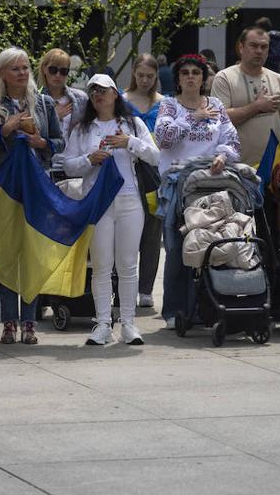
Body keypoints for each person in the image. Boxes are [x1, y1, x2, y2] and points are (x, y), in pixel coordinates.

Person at [62, 73, 160, 347]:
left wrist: (129, 142)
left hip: (130, 201)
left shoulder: (132, 123)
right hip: (98, 202)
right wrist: (89, 159)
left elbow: (154, 156)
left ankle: (128, 323)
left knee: (128, 265)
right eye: (93, 91)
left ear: (115, 94)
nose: (98, 95)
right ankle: (103, 324)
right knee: (102, 266)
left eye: (103, 90)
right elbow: (68, 165)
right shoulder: (83, 129)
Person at [0, 48, 64, 345]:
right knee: (6, 255)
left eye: (25, 67)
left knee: (31, 253)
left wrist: (42, 142)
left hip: (36, 185)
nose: (22, 73)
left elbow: (59, 143)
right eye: (15, 68)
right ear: (2, 73)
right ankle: (9, 322)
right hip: (4, 187)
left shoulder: (43, 102)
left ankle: (29, 322)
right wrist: (5, 129)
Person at [154, 54, 240, 328]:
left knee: (216, 244)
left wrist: (223, 157)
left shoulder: (216, 105)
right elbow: (164, 139)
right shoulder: (169, 106)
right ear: (178, 79)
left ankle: (210, 308)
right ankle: (174, 311)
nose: (191, 77)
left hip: (214, 184)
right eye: (185, 73)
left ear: (204, 78)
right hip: (180, 185)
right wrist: (194, 117)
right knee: (179, 246)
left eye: (196, 73)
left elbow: (232, 139)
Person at [210, 27, 280, 164]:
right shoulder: (224, 78)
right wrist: (256, 107)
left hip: (273, 170)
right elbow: (219, 120)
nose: (259, 51)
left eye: (264, 47)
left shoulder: (279, 80)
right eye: (253, 46)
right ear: (241, 47)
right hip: (235, 169)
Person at [124, 53, 165, 308]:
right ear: (133, 74)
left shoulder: (165, 103)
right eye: (141, 75)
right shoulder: (121, 99)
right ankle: (124, 284)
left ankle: (146, 288)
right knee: (126, 228)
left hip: (154, 170)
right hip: (127, 169)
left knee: (152, 228)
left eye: (150, 76)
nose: (145, 80)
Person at [39, 48, 87, 135]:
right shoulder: (36, 100)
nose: (58, 75)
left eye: (63, 71)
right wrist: (54, 117)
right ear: (44, 69)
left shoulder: (81, 98)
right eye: (53, 70)